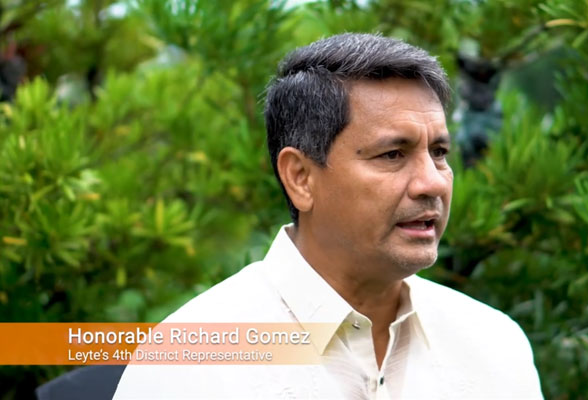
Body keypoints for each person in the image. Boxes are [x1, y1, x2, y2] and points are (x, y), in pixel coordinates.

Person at [113, 33, 543, 399]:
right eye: (393, 154)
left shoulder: (493, 345)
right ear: (300, 178)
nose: (431, 183)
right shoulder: (193, 368)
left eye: (439, 152)